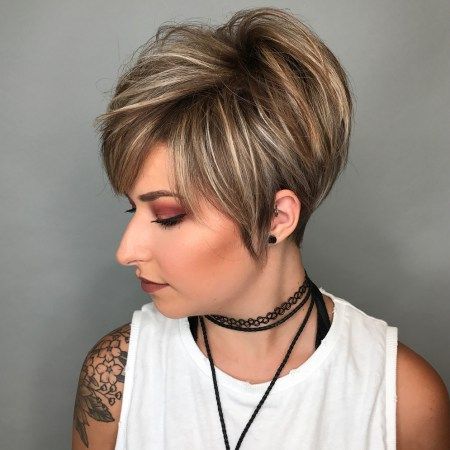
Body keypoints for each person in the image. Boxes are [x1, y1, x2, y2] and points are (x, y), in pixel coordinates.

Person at [72, 7, 450, 450]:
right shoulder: (116, 378)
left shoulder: (402, 398)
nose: (126, 251)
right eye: (132, 210)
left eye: (168, 216)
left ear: (277, 217)